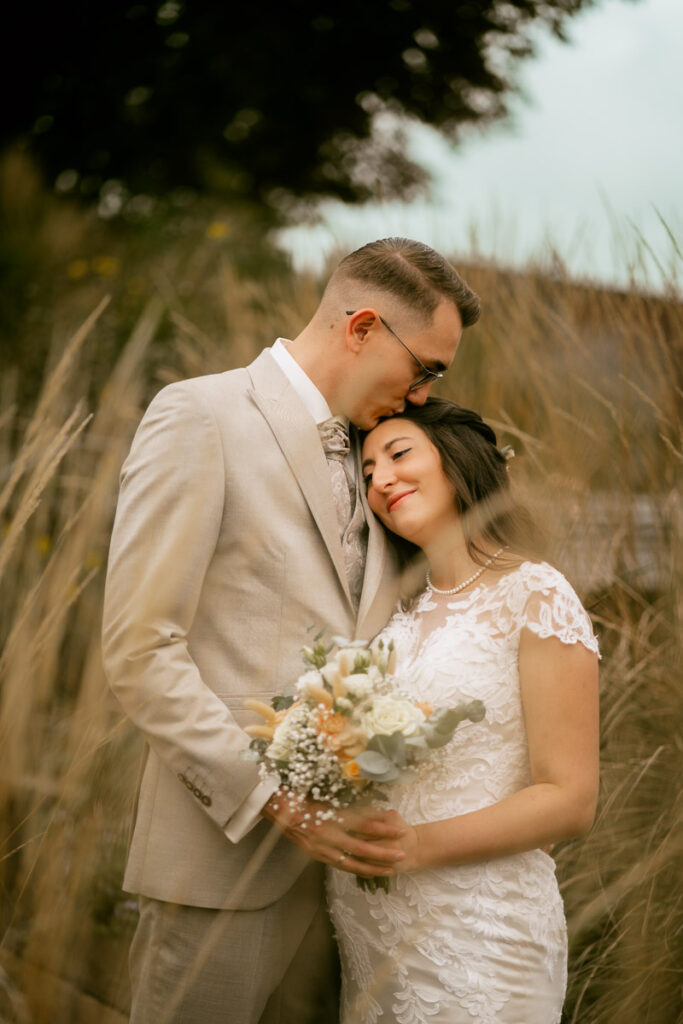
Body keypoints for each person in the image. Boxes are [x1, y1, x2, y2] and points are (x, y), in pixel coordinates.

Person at [101, 238, 481, 1024]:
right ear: (363, 326)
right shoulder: (199, 415)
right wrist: (278, 800)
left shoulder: (385, 463)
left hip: (351, 900)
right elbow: (140, 650)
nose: (420, 396)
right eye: (426, 368)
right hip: (218, 872)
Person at [327, 397, 600, 1024]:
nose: (381, 480)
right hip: (374, 938)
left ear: (457, 461)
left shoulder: (534, 592)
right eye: (366, 474)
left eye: (398, 455)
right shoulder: (397, 617)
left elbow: (570, 798)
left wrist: (415, 846)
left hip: (478, 932)